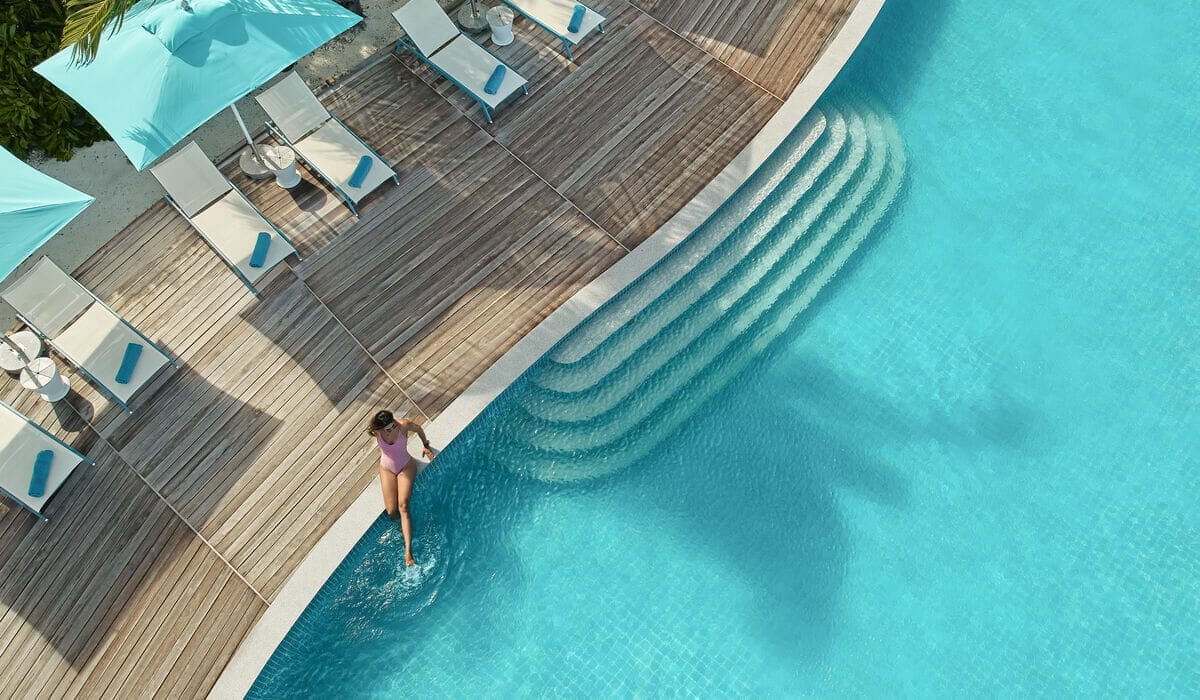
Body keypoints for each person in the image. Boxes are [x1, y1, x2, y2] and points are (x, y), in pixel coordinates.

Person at [366, 410, 435, 566]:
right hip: (387, 468)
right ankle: (403, 530)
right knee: (391, 512)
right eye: (387, 429)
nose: (391, 430)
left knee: (403, 505)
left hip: (405, 466)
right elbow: (371, 430)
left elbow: (418, 429)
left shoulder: (403, 425)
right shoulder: (376, 431)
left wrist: (426, 445)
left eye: (392, 426)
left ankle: (408, 552)